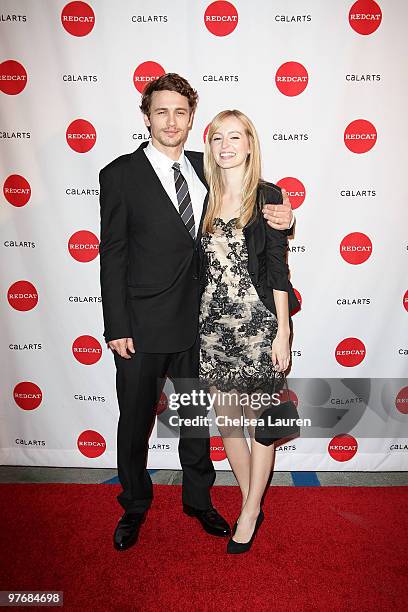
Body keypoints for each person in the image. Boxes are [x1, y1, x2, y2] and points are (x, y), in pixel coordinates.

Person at [99, 74, 294, 551]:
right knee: (135, 420)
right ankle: (135, 506)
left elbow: (252, 207)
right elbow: (113, 254)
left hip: (200, 326)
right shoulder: (119, 174)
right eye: (161, 111)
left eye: (180, 112)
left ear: (191, 122)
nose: (171, 121)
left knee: (194, 421)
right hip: (141, 327)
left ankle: (199, 500)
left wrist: (287, 217)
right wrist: (117, 325)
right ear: (146, 117)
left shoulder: (205, 168)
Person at [199, 110, 300, 554]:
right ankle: (249, 498)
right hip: (212, 330)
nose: (225, 145)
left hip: (260, 327)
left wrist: (283, 332)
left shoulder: (268, 197)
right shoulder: (202, 193)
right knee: (228, 423)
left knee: (262, 425)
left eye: (234, 137)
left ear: (249, 144)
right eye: (217, 137)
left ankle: (251, 510)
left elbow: (278, 268)